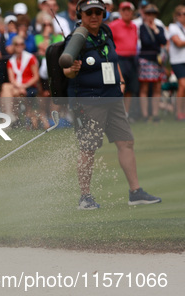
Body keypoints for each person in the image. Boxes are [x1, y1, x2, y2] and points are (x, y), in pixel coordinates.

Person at [63, 0, 161, 209]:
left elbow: (112, 60)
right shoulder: (76, 38)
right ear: (81, 14)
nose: (94, 16)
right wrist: (73, 69)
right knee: (88, 148)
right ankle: (85, 197)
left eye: (98, 12)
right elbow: (66, 71)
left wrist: (121, 81)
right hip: (89, 101)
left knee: (126, 142)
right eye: (89, 13)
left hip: (113, 97)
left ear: (104, 14)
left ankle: (135, 192)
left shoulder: (106, 31)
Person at [0, 35, 43, 127]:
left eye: (21, 44)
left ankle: (7, 117)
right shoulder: (11, 61)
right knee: (6, 87)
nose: (19, 46)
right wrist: (20, 87)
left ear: (24, 45)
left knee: (5, 89)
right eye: (17, 44)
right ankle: (9, 115)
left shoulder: (30, 58)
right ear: (14, 46)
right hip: (17, 87)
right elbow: (12, 79)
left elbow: (36, 77)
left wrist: (24, 86)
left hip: (29, 86)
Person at [109, 2, 139, 118]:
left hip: (132, 60)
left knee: (131, 88)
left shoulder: (134, 26)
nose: (126, 12)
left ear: (132, 12)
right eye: (124, 10)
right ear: (120, 12)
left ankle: (125, 114)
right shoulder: (114, 25)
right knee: (120, 86)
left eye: (128, 10)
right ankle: (117, 113)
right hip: (119, 60)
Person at [137, 4, 167, 122]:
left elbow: (163, 41)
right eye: (148, 13)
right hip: (145, 59)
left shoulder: (159, 27)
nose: (150, 16)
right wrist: (156, 34)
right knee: (144, 87)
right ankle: (145, 115)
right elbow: (146, 41)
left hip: (157, 60)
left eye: (152, 14)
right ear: (145, 14)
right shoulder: (142, 27)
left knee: (157, 87)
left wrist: (155, 30)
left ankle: (155, 115)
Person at [168, 5, 185, 120]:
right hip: (178, 61)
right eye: (182, 14)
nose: (183, 16)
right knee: (183, 85)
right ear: (177, 16)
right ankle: (179, 112)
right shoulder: (173, 27)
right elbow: (178, 43)